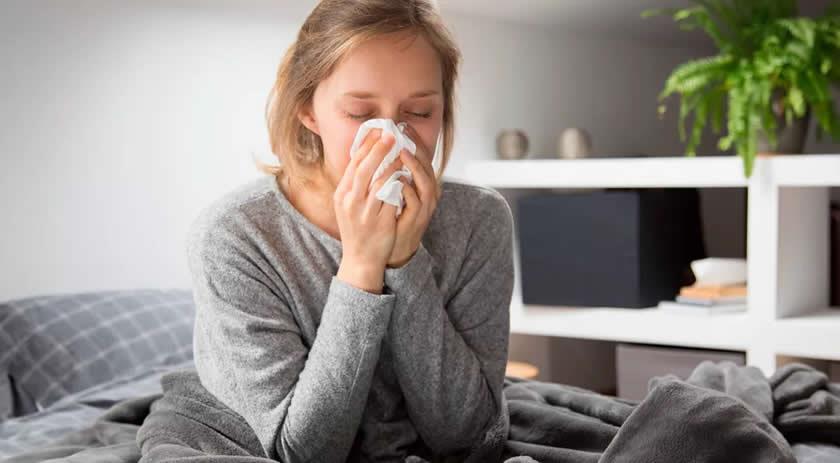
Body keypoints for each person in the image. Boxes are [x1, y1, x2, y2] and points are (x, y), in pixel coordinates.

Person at [186, 1, 515, 461]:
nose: (392, 137)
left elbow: (469, 435)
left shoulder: (480, 218)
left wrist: (405, 262)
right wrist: (362, 265)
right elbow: (303, 451)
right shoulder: (234, 237)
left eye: (420, 112)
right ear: (307, 109)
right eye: (360, 114)